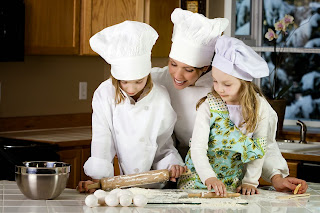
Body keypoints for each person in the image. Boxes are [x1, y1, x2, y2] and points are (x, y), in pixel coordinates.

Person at [151, 8, 308, 194]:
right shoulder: (159, 80)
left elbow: (262, 144)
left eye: (189, 69)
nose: (177, 75)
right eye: (173, 63)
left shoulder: (226, 88)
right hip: (186, 175)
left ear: (205, 67)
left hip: (228, 180)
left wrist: (277, 177)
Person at [77, 21, 186, 193]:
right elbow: (102, 139)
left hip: (155, 186)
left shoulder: (160, 97)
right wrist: (98, 178)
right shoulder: (104, 94)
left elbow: (163, 144)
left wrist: (172, 164)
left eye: (139, 81)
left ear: (148, 75)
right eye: (125, 82)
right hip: (118, 184)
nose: (132, 88)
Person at [178, 35, 272, 196]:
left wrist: (250, 181)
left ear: (244, 83)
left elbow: (259, 148)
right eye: (215, 81)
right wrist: (209, 178)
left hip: (231, 185)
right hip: (197, 181)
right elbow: (198, 148)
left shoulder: (260, 107)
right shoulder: (209, 105)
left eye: (227, 84)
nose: (219, 89)